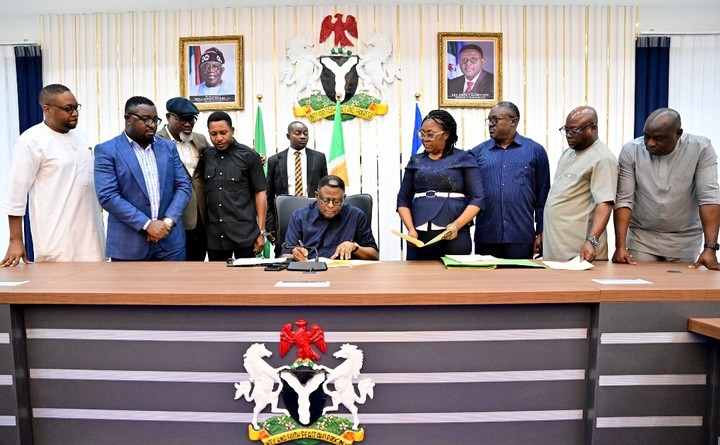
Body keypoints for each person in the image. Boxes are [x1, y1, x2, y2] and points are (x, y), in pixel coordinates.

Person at [0, 84, 105, 266]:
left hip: (91, 236)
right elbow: (15, 195)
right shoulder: (30, 141)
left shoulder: (81, 137)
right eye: (68, 109)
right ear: (47, 109)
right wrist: (16, 240)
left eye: (76, 107)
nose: (75, 113)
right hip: (57, 238)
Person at [613, 108, 720, 269]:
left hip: (684, 239)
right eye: (647, 136)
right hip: (642, 237)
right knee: (640, 282)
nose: (650, 143)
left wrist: (710, 248)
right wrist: (620, 247)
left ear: (678, 134)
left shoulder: (701, 149)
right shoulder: (631, 150)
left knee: (680, 284)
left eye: (658, 138)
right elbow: (624, 200)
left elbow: (709, 198)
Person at [94, 96, 191, 261]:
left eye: (155, 120)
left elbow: (183, 186)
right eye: (145, 120)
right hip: (128, 245)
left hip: (170, 243)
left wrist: (167, 222)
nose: (152, 125)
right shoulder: (107, 151)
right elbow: (108, 196)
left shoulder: (168, 147)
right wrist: (147, 224)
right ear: (128, 119)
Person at [397, 109, 484, 260]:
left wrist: (456, 225)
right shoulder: (416, 160)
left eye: (430, 134)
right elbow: (403, 199)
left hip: (454, 234)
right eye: (422, 133)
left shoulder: (464, 158)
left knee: (453, 275)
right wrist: (410, 229)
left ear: (446, 134)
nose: (425, 139)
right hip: (419, 236)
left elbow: (478, 198)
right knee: (416, 275)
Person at [470, 101, 550, 259]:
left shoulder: (535, 151)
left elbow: (543, 196)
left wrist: (541, 231)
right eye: (489, 120)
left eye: (495, 119)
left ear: (513, 121)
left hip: (521, 236)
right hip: (487, 235)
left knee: (519, 276)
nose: (490, 124)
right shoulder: (478, 152)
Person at [543, 106, 618, 262]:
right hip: (557, 242)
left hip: (578, 246)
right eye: (566, 129)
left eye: (574, 130)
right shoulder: (569, 153)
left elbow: (604, 204)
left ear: (593, 128)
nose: (568, 135)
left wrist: (591, 241)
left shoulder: (602, 158)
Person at [200, 111, 268, 261]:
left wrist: (261, 231)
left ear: (232, 130)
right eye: (213, 134)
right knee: (217, 275)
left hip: (245, 235)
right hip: (215, 237)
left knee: (247, 276)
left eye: (223, 132)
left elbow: (260, 194)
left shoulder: (249, 156)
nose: (219, 138)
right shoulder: (206, 156)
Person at [157, 97, 210, 261]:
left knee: (197, 263)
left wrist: (249, 156)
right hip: (171, 215)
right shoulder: (156, 141)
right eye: (182, 119)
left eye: (191, 119)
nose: (188, 124)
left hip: (201, 214)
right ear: (168, 117)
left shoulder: (200, 140)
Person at [266, 121, 328, 256]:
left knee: (314, 252)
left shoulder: (319, 158)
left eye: (306, 133)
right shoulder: (275, 160)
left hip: (313, 216)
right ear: (288, 136)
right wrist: (269, 225)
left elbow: (325, 189)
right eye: (298, 133)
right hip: (285, 217)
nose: (302, 137)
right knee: (285, 253)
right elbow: (269, 196)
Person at [282, 175, 378, 261]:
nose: (331, 205)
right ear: (317, 196)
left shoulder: (356, 216)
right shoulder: (300, 216)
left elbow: (375, 255)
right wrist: (295, 254)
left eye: (337, 201)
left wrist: (355, 248)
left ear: (344, 198)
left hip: (346, 271)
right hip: (311, 270)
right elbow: (285, 255)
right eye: (325, 200)